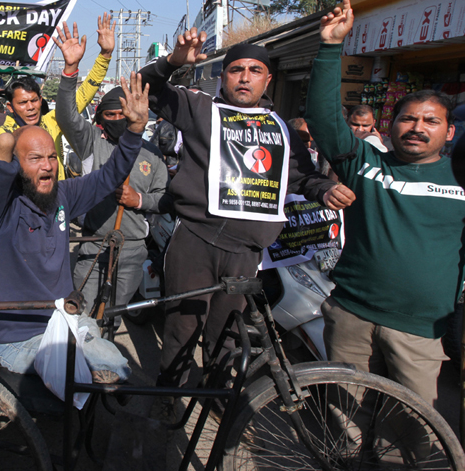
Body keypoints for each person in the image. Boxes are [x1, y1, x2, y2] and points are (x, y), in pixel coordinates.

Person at [137, 35, 354, 397]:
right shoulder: (199, 109)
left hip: (247, 252)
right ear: (223, 77)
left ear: (267, 80)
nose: (244, 77)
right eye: (236, 69)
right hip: (194, 242)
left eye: (255, 71)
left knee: (227, 335)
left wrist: (325, 191)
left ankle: (219, 396)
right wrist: (173, 62)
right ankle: (169, 395)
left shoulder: (281, 129)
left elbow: (302, 176)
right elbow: (147, 88)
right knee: (181, 327)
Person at [305, 0, 465, 408]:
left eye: (431, 121)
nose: (417, 127)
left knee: (412, 431)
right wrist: (329, 47)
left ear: (449, 134)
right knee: (342, 419)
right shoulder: (365, 161)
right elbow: (324, 119)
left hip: (419, 331)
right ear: (390, 124)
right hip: (350, 315)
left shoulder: (459, 178)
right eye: (408, 118)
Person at [0, 72, 150, 384]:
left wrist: (135, 130)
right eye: (35, 159)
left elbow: (108, 176)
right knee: (114, 367)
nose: (47, 165)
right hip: (17, 339)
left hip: (62, 320)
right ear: (17, 166)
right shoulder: (0, 210)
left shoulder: (62, 195)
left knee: (112, 360)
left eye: (52, 157)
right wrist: (7, 143)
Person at [55, 23, 171, 321]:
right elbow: (66, 117)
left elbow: (164, 199)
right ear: (101, 118)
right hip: (93, 244)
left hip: (132, 251)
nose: (119, 119)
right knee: (78, 315)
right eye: (111, 115)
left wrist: (139, 201)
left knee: (111, 318)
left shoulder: (153, 154)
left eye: (124, 114)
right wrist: (71, 69)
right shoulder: (92, 142)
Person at [0, 13, 116, 180]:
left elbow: (84, 94)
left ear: (41, 101)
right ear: (10, 107)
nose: (30, 107)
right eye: (23, 103)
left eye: (34, 100)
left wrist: (105, 56)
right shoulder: (2, 135)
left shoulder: (53, 121)